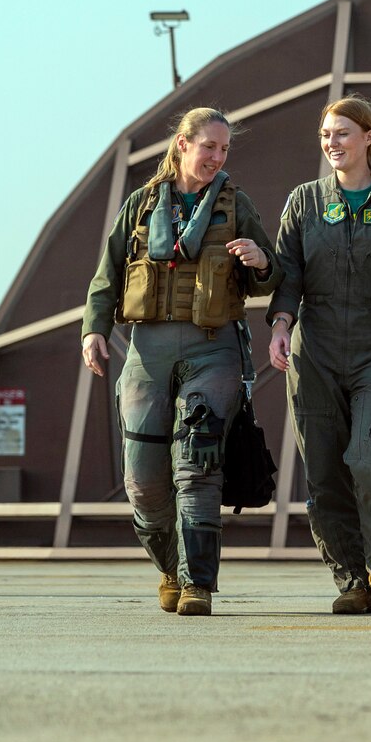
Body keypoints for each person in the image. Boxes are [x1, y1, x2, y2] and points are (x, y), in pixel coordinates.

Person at [81, 108, 279, 616]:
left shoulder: (238, 206)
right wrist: (93, 332)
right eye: (208, 146)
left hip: (213, 350)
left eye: (224, 149)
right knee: (143, 481)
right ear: (183, 144)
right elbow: (108, 275)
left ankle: (198, 584)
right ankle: (170, 568)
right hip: (146, 352)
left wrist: (261, 260)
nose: (216, 157)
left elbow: (271, 274)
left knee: (197, 466)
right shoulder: (141, 205)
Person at [266, 95, 371, 614]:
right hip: (315, 351)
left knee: (368, 458)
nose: (332, 143)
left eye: (342, 134)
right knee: (324, 472)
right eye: (326, 136)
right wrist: (280, 327)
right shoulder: (305, 201)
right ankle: (350, 579)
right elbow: (287, 273)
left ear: (368, 137)